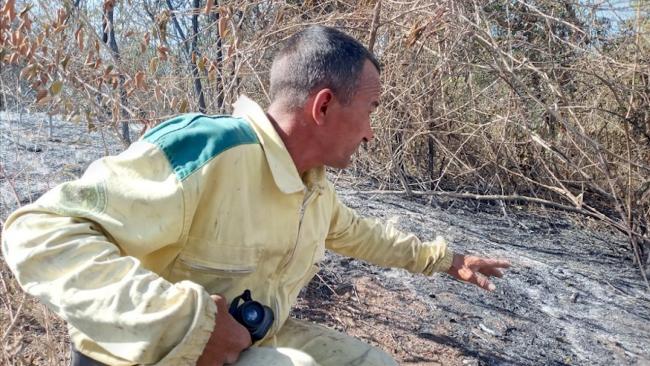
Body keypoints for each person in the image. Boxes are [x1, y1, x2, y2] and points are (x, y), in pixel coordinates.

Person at [1, 25, 510, 366]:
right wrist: (188, 322)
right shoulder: (207, 150)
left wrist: (446, 260)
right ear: (324, 106)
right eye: (371, 108)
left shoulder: (312, 187)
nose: (371, 132)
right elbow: (39, 232)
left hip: (250, 342)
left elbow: (364, 236)